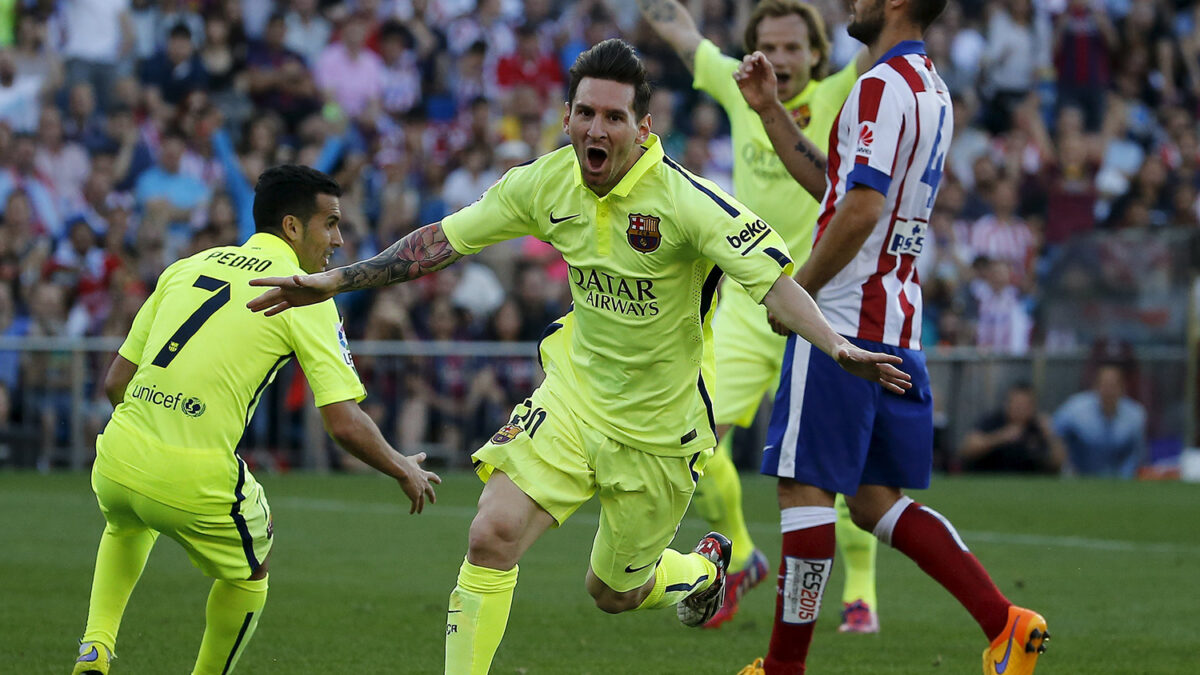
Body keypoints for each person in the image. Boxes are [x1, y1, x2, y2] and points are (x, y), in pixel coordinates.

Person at [247, 39, 910, 675]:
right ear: (567, 118)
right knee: (490, 534)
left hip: (659, 429)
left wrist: (835, 344)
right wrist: (334, 280)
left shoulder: (687, 203)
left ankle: (702, 570)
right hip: (573, 397)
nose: (597, 128)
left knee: (613, 591)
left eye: (614, 117)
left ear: (643, 128)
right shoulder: (545, 183)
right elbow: (442, 241)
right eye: (585, 113)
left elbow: (776, 284)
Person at [731, 0, 1049, 672]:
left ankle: (782, 667)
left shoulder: (877, 86)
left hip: (845, 322)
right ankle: (1006, 622)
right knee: (875, 500)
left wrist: (800, 294)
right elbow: (841, 188)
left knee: (802, 489)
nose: (851, 2)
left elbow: (863, 206)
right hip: (896, 320)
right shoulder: (929, 85)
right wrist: (769, 112)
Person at [70, 165, 441, 675]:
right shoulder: (302, 292)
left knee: (127, 524)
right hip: (194, 474)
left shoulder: (186, 266)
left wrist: (152, 429)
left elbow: (115, 382)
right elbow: (343, 422)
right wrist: (402, 466)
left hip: (115, 458)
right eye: (330, 224)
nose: (338, 239)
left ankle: (94, 652)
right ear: (292, 227)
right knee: (251, 573)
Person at [637, 0, 883, 631]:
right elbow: (679, 30)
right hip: (751, 306)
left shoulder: (845, 89)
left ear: (818, 54)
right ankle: (742, 555)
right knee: (691, 433)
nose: (780, 58)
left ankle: (860, 592)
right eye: (768, 46)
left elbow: (889, 36)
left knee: (843, 463)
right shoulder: (739, 82)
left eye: (794, 47)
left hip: (827, 302)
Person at [1052, 362, 1146, 478]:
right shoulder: (1074, 409)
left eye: (1113, 386)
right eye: (1104, 385)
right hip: (1079, 477)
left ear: (1122, 388)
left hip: (1119, 480)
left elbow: (1136, 453)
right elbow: (1054, 433)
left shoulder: (1135, 414)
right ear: (1095, 387)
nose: (1108, 391)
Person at [960, 382, 1066, 474]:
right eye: (1016, 404)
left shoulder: (1038, 426)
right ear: (1007, 403)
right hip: (989, 480)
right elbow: (967, 449)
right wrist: (1000, 437)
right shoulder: (993, 421)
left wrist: (1050, 435)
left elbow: (1058, 463)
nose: (1020, 409)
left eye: (1025, 405)